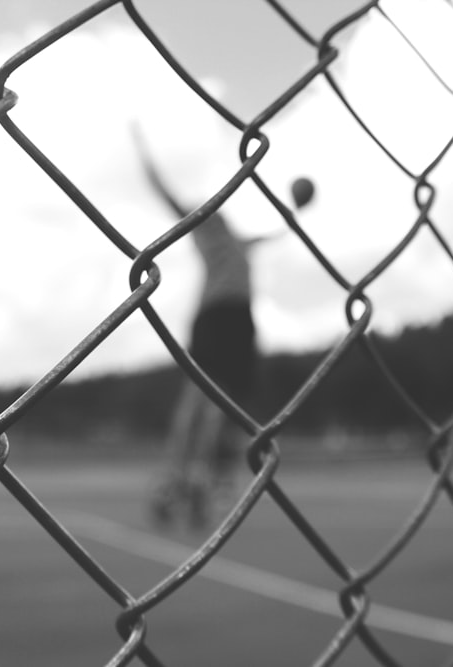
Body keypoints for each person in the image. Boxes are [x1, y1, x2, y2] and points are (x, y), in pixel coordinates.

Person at [134, 142, 290, 527]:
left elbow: (274, 234)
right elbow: (164, 191)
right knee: (198, 406)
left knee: (225, 410)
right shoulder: (203, 231)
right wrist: (144, 154)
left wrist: (294, 216)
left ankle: (201, 480)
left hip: (241, 324)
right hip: (215, 320)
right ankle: (178, 479)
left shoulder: (238, 239)